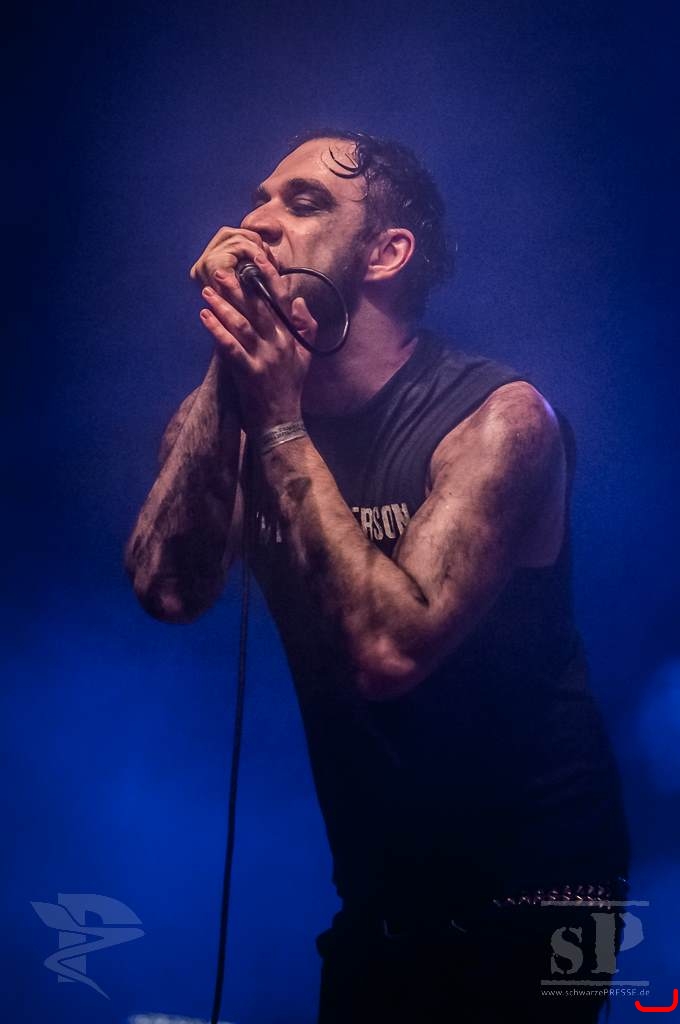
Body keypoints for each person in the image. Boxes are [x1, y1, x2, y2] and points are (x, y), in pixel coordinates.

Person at [124, 130, 631, 1021]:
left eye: (304, 203)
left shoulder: (499, 420)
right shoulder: (242, 410)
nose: (257, 223)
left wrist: (278, 424)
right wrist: (234, 363)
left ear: (387, 253)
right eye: (260, 199)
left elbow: (390, 654)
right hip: (380, 897)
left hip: (541, 894)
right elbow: (167, 588)